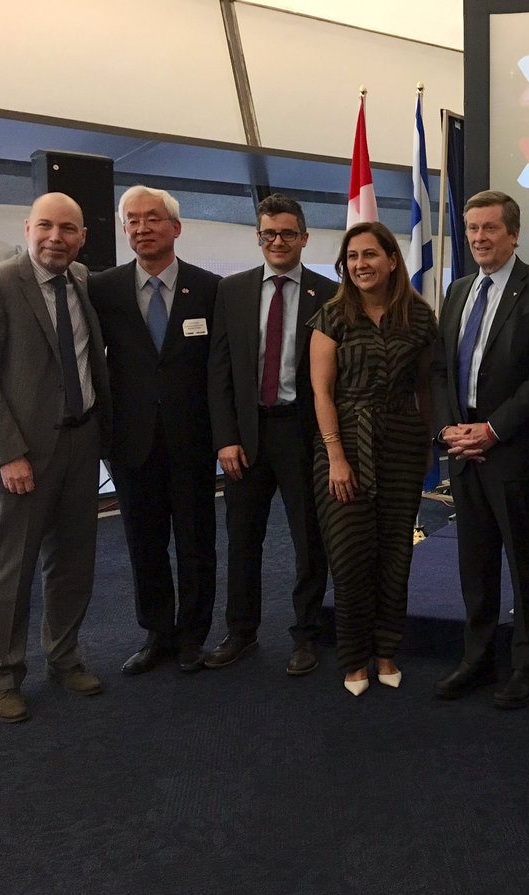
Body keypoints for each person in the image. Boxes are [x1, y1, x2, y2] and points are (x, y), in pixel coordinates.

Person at [0, 192, 112, 723]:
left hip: (81, 446)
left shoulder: (81, 282)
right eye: (47, 227)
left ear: (82, 237)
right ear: (28, 228)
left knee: (74, 561)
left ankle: (64, 656)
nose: (57, 237)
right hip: (19, 456)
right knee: (9, 571)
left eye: (69, 229)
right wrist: (8, 454)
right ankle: (2, 677)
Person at [431, 190, 529, 709]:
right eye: (472, 229)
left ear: (513, 233)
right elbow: (441, 368)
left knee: (523, 561)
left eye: (490, 228)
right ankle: (477, 658)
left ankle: (526, 667)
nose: (480, 238)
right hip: (462, 447)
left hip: (511, 451)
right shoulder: (459, 290)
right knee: (475, 560)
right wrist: (448, 430)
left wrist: (493, 429)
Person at [89, 186, 220, 676]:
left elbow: (219, 369)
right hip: (131, 440)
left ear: (176, 228)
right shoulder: (101, 289)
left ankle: (193, 637)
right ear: (124, 230)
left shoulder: (210, 289)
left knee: (196, 542)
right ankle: (157, 633)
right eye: (132, 221)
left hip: (193, 438)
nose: (142, 228)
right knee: (143, 544)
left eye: (152, 219)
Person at [206, 193, 334, 676]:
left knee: (309, 540)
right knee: (242, 539)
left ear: (304, 237)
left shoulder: (329, 293)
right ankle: (240, 632)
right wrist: (225, 438)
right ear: (258, 238)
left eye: (286, 233)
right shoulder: (231, 291)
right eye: (268, 234)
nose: (277, 241)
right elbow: (218, 371)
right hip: (246, 437)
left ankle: (305, 635)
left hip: (302, 433)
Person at [309, 222, 436, 696]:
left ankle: (386, 652)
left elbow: (425, 388)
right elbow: (321, 393)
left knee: (395, 555)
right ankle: (354, 659)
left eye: (370, 255)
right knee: (349, 558)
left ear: (392, 260)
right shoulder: (332, 315)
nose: (360, 265)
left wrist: (427, 448)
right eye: (352, 257)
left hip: (402, 444)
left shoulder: (420, 318)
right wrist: (337, 457)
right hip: (342, 444)